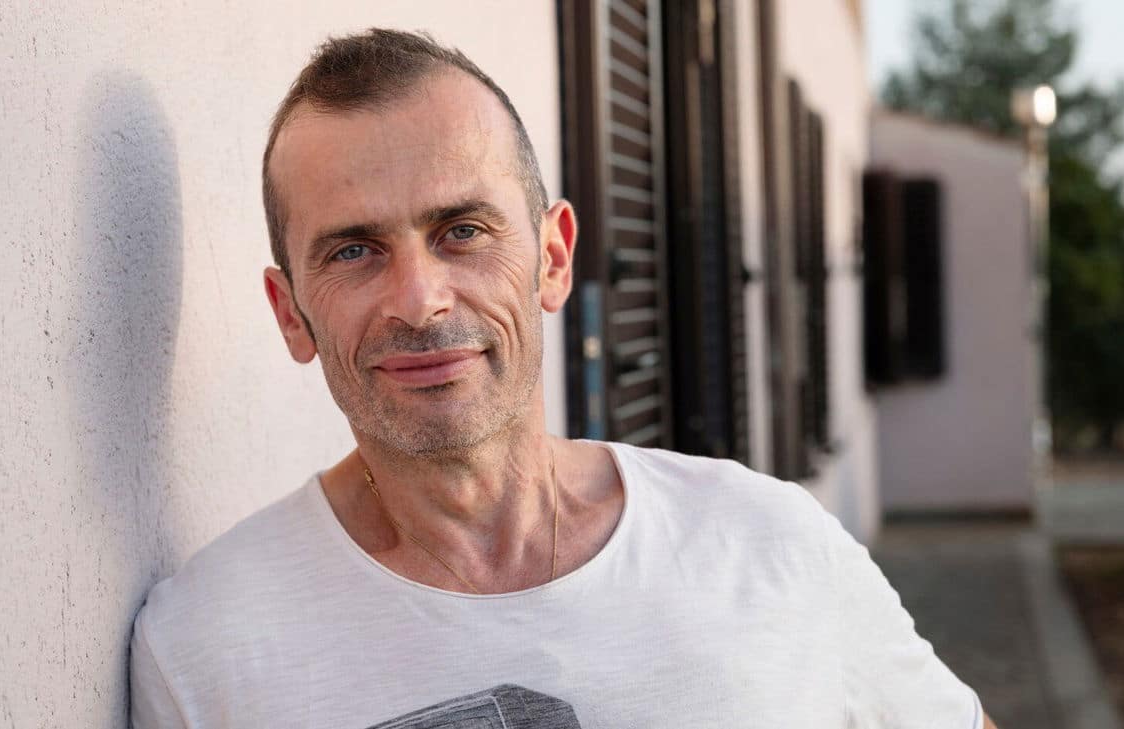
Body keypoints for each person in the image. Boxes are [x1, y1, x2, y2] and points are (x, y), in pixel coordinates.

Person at [130, 28, 998, 729]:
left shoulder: (767, 545)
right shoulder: (207, 648)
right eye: (354, 250)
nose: (421, 301)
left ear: (551, 256)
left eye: (462, 230)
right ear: (292, 313)